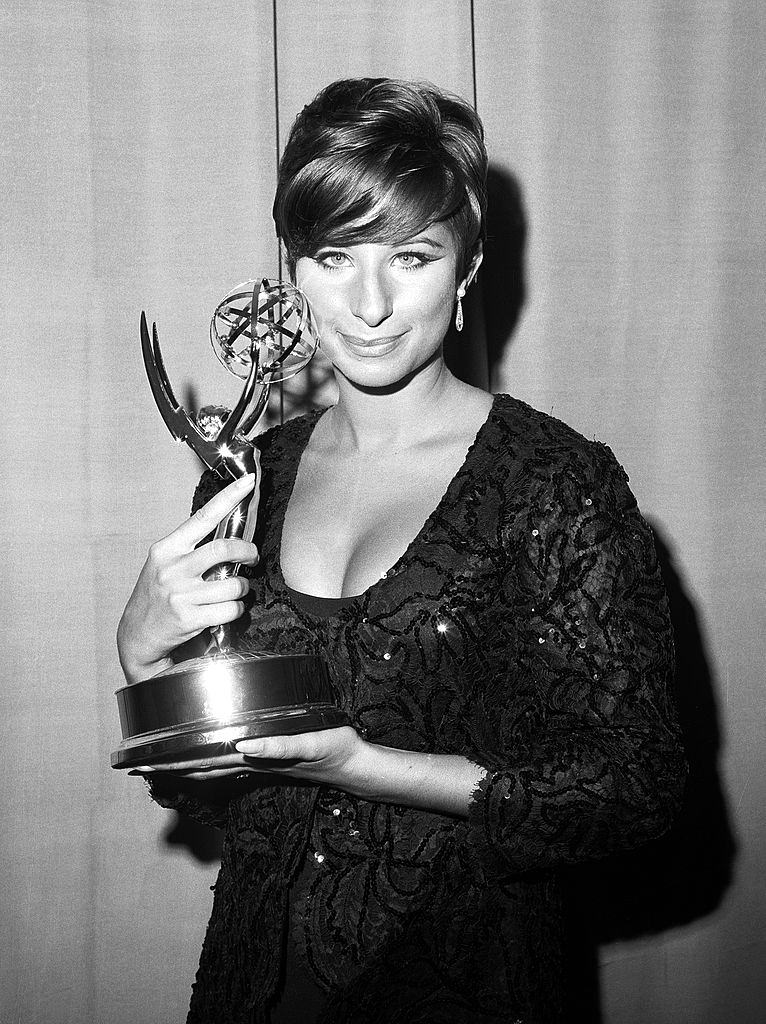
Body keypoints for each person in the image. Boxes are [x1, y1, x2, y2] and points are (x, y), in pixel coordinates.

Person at [117, 78, 686, 1024]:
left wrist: (360, 765)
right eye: (336, 257)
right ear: (292, 271)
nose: (371, 304)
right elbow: (207, 790)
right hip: (255, 985)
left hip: (471, 982)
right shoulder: (248, 473)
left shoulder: (552, 482)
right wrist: (140, 648)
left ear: (466, 271)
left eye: (411, 257)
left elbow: (634, 789)